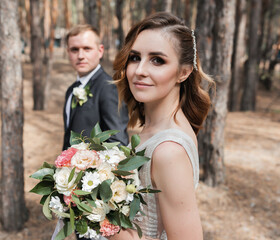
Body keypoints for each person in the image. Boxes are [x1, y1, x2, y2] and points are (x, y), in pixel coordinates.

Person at [110, 12, 214, 240]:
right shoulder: (156, 127)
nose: (139, 71)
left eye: (158, 60)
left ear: (184, 72)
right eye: (135, 57)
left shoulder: (168, 151)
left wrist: (103, 221)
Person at [62, 24, 129, 151]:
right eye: (74, 49)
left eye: (87, 49)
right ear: (68, 52)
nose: (80, 55)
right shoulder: (71, 90)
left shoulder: (109, 88)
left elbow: (118, 143)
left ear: (100, 51)